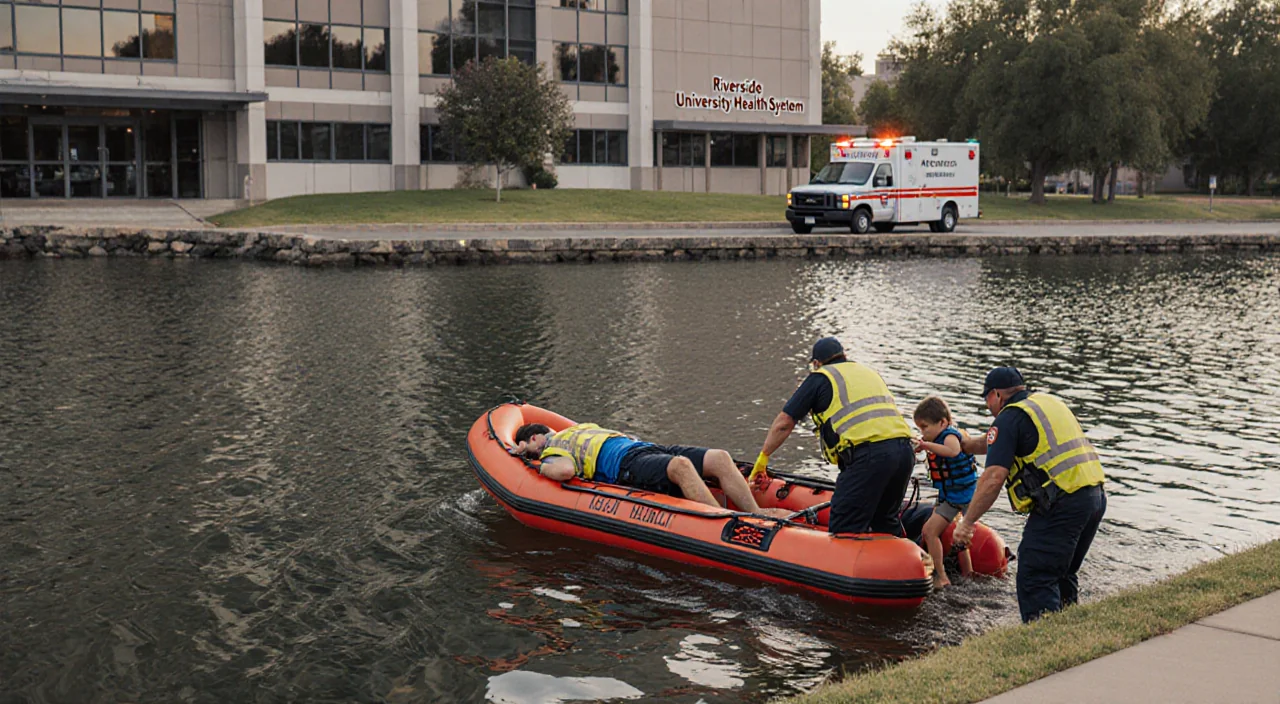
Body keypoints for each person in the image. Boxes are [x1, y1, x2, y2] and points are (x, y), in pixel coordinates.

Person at [953, 367, 1107, 622]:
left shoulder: (1008, 418)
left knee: (1036, 576)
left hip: (1062, 505)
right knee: (1063, 573)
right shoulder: (1046, 404)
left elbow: (993, 478)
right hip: (1094, 498)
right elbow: (1000, 441)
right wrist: (968, 445)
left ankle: (1046, 645)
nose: (988, 407)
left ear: (996, 395)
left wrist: (967, 523)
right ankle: (1071, 632)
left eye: (987, 400)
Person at [752, 337, 916, 535]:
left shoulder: (820, 377)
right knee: (885, 519)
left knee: (844, 525)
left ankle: (847, 564)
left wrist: (763, 458)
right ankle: (908, 561)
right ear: (843, 355)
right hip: (904, 452)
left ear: (816, 363)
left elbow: (784, 423)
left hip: (869, 457)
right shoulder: (867, 373)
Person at [514, 422, 790, 518]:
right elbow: (564, 471)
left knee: (720, 458)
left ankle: (754, 513)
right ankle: (724, 521)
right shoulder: (552, 451)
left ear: (534, 438)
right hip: (625, 467)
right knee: (680, 466)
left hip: (643, 449)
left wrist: (528, 451)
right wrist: (536, 462)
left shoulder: (576, 430)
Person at [911, 396, 976, 588]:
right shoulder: (935, 439)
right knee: (929, 531)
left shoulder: (950, 436)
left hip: (967, 496)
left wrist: (925, 445)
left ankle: (968, 574)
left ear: (943, 422)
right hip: (949, 497)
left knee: (961, 539)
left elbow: (953, 451)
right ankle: (942, 575)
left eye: (925, 427)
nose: (923, 432)